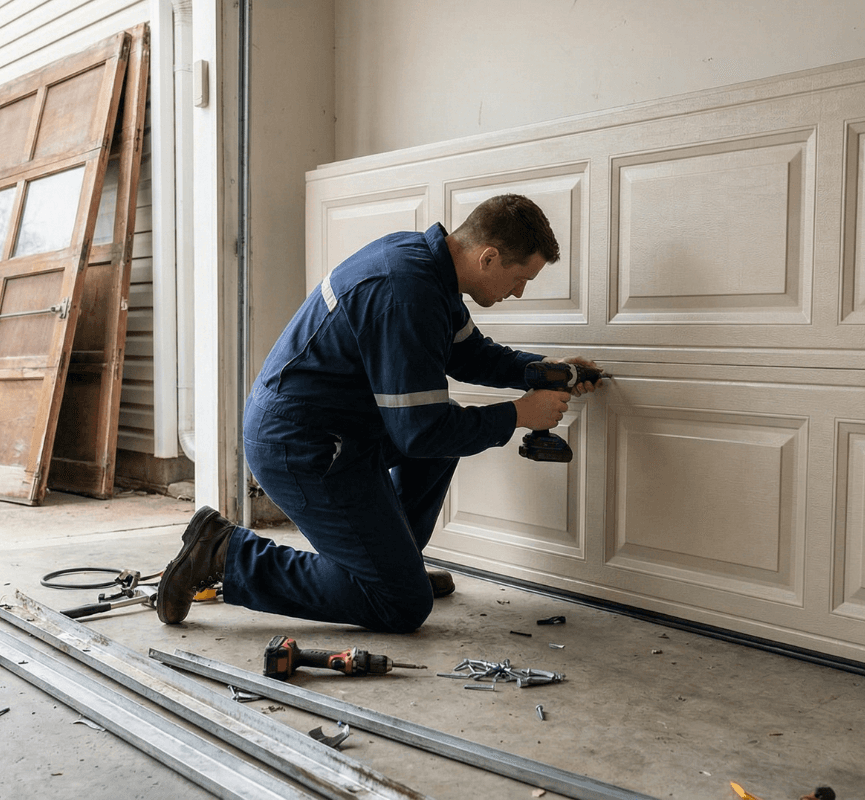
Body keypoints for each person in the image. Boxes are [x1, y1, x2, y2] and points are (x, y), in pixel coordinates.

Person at [157, 194, 602, 633]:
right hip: (300, 445)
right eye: (520, 278)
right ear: (488, 258)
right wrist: (520, 414)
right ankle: (224, 553)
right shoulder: (406, 293)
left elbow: (471, 354)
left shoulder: (427, 266)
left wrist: (543, 370)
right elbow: (421, 433)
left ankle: (393, 564)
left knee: (441, 435)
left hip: (337, 429)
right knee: (401, 604)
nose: (519, 292)